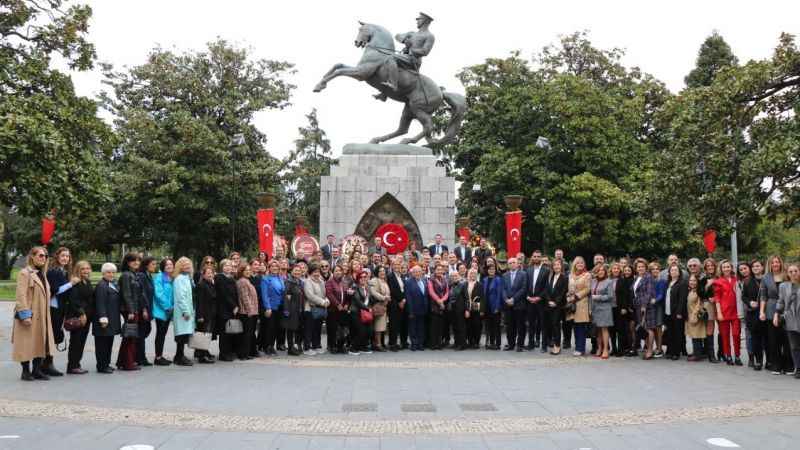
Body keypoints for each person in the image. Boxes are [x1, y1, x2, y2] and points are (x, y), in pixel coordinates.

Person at [13, 247, 56, 381]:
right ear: (32, 256)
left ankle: (37, 370)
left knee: (40, 342)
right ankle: (25, 372)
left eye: (46, 256)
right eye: (41, 255)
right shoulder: (25, 273)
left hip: (42, 315)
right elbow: (21, 295)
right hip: (30, 314)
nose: (44, 258)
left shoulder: (42, 274)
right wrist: (25, 315)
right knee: (26, 343)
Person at [44, 246, 75, 377]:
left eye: (67, 256)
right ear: (57, 257)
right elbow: (55, 290)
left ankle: (47, 363)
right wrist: (71, 284)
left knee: (56, 335)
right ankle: (47, 364)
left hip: (60, 307)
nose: (65, 258)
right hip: (53, 307)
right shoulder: (54, 271)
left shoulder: (63, 271)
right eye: (63, 256)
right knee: (52, 335)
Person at [760, 255, 792, 375]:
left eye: (777, 262)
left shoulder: (786, 274)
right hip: (771, 309)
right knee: (773, 340)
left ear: (780, 263)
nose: (775, 264)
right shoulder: (766, 277)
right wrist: (762, 311)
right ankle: (776, 365)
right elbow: (763, 296)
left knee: (787, 339)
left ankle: (789, 365)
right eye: (773, 262)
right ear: (770, 264)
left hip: (787, 308)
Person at [117, 253, 146, 371]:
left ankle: (122, 361)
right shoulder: (126, 275)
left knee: (129, 336)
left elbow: (138, 294)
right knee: (130, 336)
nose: (136, 263)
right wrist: (131, 310)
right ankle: (128, 363)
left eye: (138, 261)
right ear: (128, 262)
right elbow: (126, 294)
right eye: (133, 261)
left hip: (135, 309)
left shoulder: (134, 275)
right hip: (130, 310)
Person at [65, 260, 93, 374]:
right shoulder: (75, 282)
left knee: (81, 342)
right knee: (76, 342)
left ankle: (77, 364)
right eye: (83, 269)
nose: (86, 271)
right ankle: (72, 366)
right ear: (78, 270)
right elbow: (74, 300)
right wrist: (82, 314)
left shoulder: (87, 281)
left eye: (87, 268)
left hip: (87, 317)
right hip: (78, 317)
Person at [93, 262, 121, 374]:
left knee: (109, 342)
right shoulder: (101, 285)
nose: (111, 274)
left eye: (113, 272)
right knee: (102, 344)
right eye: (108, 272)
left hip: (112, 318)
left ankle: (106, 363)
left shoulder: (111, 284)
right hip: (104, 320)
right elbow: (100, 303)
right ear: (103, 273)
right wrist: (103, 318)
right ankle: (101, 366)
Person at [774, 263, 800, 379]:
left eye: (796, 271)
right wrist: (776, 314)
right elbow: (780, 302)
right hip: (790, 319)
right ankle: (798, 368)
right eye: (791, 271)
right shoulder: (783, 286)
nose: (793, 273)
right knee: (794, 346)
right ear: (787, 274)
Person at [738, 262, 763, 369]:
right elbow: (743, 297)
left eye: (745, 268)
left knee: (766, 338)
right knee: (753, 337)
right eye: (741, 269)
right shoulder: (746, 282)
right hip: (751, 313)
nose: (744, 271)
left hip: (766, 312)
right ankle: (755, 359)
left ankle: (769, 361)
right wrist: (750, 302)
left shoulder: (766, 279)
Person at [171, 257, 195, 366]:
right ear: (179, 267)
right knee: (181, 335)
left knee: (184, 334)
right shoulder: (179, 279)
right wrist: (185, 311)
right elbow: (181, 297)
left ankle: (179, 355)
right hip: (182, 311)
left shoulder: (188, 278)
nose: (187, 266)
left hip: (187, 310)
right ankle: (179, 357)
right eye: (184, 264)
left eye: (188, 264)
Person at [214, 259, 239, 362]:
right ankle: (223, 354)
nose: (228, 267)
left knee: (230, 332)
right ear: (222, 267)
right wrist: (234, 306)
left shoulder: (232, 279)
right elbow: (224, 294)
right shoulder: (219, 277)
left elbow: (235, 294)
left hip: (232, 309)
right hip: (224, 309)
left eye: (229, 265)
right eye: (226, 265)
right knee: (224, 333)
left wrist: (237, 305)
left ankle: (229, 352)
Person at [632, 258, 657, 360]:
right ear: (636, 268)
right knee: (644, 328)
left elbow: (649, 292)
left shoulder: (648, 277)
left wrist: (644, 305)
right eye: (638, 267)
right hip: (638, 306)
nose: (640, 268)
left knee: (649, 328)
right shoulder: (637, 277)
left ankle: (650, 350)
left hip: (646, 306)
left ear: (646, 267)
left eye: (642, 266)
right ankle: (647, 349)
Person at [303, 264, 330, 355]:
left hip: (319, 309)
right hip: (310, 308)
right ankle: (307, 348)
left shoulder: (321, 281)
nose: (317, 274)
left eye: (318, 272)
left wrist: (326, 300)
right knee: (309, 329)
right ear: (310, 272)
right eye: (314, 272)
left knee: (317, 329)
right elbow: (310, 296)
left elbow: (324, 294)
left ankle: (316, 346)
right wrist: (322, 302)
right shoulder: (308, 282)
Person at [568, 257, 592, 356]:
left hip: (582, 303)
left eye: (582, 263)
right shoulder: (571, 275)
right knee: (575, 326)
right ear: (574, 264)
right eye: (578, 263)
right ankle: (577, 346)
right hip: (572, 304)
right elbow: (569, 288)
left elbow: (588, 289)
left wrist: (577, 296)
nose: (580, 264)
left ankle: (581, 348)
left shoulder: (587, 275)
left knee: (581, 327)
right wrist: (568, 295)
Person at [526, 250, 549, 352]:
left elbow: (547, 287)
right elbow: (525, 285)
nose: (536, 258)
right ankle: (531, 344)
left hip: (541, 301)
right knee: (531, 324)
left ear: (541, 258)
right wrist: (528, 297)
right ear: (532, 257)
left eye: (538, 256)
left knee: (543, 324)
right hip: (530, 301)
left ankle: (543, 346)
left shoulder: (546, 270)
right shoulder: (528, 270)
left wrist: (539, 297)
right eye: (534, 256)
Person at [502, 257, 527, 352]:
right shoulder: (505, 275)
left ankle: (520, 345)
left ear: (517, 264)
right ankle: (511, 344)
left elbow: (524, 289)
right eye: (510, 263)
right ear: (508, 265)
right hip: (508, 305)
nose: (512, 264)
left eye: (514, 262)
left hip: (519, 304)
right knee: (509, 326)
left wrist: (513, 299)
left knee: (520, 325)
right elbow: (503, 289)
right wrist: (506, 299)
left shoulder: (523, 274)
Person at [152, 258, 174, 366]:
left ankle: (160, 355)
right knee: (160, 334)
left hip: (169, 310)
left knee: (163, 334)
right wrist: (168, 307)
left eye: (171, 264)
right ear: (163, 267)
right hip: (161, 311)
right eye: (167, 264)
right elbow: (159, 294)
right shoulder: (159, 277)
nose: (169, 266)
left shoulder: (171, 278)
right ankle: (158, 357)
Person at [260, 260, 285, 355]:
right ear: (269, 268)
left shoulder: (280, 278)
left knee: (276, 328)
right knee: (269, 328)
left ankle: (272, 345)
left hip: (279, 307)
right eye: (272, 266)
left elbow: (282, 292)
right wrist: (267, 307)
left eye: (276, 266)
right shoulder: (265, 279)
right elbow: (264, 294)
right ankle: (267, 346)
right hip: (270, 307)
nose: (275, 268)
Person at [544, 258, 568, 355]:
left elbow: (563, 292)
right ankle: (553, 343)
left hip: (558, 306)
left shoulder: (564, 278)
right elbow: (546, 290)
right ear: (552, 267)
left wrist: (556, 302)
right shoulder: (550, 277)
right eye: (554, 265)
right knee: (550, 326)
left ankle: (557, 346)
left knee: (556, 326)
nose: (556, 266)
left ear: (561, 266)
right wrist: (549, 300)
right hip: (549, 305)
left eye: (558, 265)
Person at [235, 263, 259, 360]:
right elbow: (245, 297)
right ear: (241, 272)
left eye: (249, 270)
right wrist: (250, 310)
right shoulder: (243, 282)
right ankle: (243, 354)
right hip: (246, 312)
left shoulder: (246, 281)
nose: (248, 272)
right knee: (246, 334)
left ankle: (246, 353)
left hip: (250, 312)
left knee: (247, 334)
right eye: (246, 270)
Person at [590, 264, 614, 359]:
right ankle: (599, 348)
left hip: (605, 308)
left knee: (604, 329)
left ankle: (605, 349)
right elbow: (590, 296)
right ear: (596, 272)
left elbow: (610, 296)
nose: (601, 272)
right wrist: (590, 309)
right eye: (599, 270)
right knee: (598, 330)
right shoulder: (593, 281)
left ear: (605, 272)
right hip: (595, 308)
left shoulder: (609, 282)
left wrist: (598, 297)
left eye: (602, 270)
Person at [664, 264, 688, 360]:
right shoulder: (668, 283)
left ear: (679, 272)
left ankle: (676, 353)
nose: (673, 272)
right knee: (669, 332)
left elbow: (682, 299)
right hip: (667, 312)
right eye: (672, 270)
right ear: (669, 272)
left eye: (675, 270)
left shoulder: (682, 283)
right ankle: (669, 351)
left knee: (677, 333)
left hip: (677, 313)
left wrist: (679, 312)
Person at [194, 265, 217, 363]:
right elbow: (200, 302)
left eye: (212, 273)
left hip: (210, 314)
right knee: (203, 334)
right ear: (203, 275)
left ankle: (204, 352)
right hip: (204, 314)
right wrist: (200, 316)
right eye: (208, 273)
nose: (210, 275)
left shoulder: (210, 284)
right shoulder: (201, 285)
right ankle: (201, 356)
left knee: (207, 335)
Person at [136, 256, 156, 367]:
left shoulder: (149, 276)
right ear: (146, 265)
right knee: (142, 333)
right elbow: (141, 293)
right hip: (143, 309)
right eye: (153, 264)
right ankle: (141, 358)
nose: (155, 266)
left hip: (149, 308)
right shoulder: (142, 276)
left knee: (145, 332)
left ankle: (139, 356)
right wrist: (144, 309)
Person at [700, 258, 720, 363]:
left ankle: (722, 353)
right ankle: (711, 355)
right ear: (705, 268)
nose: (710, 267)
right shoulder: (703, 279)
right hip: (710, 305)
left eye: (712, 265)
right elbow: (701, 293)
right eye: (708, 266)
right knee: (710, 328)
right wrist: (708, 285)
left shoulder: (719, 277)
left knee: (722, 328)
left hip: (721, 305)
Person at [405, 265, 429, 351]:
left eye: (419, 271)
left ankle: (420, 344)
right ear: (412, 273)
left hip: (423, 308)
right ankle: (414, 344)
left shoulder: (424, 280)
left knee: (421, 327)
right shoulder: (408, 282)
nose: (418, 273)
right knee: (413, 328)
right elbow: (408, 297)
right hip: (413, 309)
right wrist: (410, 311)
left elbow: (426, 295)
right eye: (416, 272)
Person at [387, 258, 409, 351]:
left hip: (403, 303)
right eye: (395, 265)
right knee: (394, 324)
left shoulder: (402, 276)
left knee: (403, 323)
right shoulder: (390, 276)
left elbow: (404, 289)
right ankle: (393, 344)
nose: (397, 266)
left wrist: (404, 300)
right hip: (394, 304)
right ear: (392, 266)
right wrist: (400, 300)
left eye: (398, 265)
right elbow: (393, 290)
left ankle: (404, 342)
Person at [283, 263, 305, 356]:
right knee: (290, 329)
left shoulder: (300, 282)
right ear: (291, 272)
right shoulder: (289, 282)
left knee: (298, 328)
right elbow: (286, 296)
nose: (297, 272)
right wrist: (287, 310)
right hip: (291, 309)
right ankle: (290, 348)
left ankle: (296, 346)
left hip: (299, 309)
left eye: (299, 271)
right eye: (295, 270)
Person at [325, 265, 347, 354]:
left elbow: (347, 295)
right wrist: (337, 304)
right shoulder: (329, 282)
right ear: (333, 272)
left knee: (342, 329)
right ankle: (332, 346)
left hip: (343, 310)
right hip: (333, 309)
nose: (338, 272)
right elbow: (329, 294)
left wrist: (346, 304)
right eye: (336, 271)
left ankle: (341, 346)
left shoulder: (344, 282)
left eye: (340, 271)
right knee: (332, 328)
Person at [350, 269, 372, 354]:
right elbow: (357, 300)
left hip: (365, 313)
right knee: (361, 331)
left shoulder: (367, 287)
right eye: (361, 277)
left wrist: (370, 308)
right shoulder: (355, 287)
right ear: (358, 278)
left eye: (365, 277)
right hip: (356, 312)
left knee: (368, 331)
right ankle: (353, 348)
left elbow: (370, 300)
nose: (363, 278)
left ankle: (363, 347)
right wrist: (368, 308)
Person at [427, 263, 449, 350]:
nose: (439, 271)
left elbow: (447, 292)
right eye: (438, 270)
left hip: (442, 305)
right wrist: (439, 301)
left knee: (440, 326)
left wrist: (442, 300)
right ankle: (433, 344)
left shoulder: (445, 279)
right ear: (434, 271)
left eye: (441, 270)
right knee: (433, 326)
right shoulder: (431, 280)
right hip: (434, 306)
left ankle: (439, 344)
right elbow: (431, 292)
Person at [685, 274, 706, 361]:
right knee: (693, 335)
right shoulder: (690, 290)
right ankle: (697, 352)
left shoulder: (698, 291)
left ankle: (697, 355)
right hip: (690, 315)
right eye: (690, 280)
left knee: (697, 336)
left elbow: (699, 304)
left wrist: (695, 314)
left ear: (697, 282)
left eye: (694, 281)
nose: (692, 282)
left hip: (695, 316)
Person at [368, 266, 390, 352]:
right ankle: (378, 345)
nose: (382, 272)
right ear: (377, 272)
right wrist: (384, 298)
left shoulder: (384, 281)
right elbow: (373, 292)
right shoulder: (374, 280)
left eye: (384, 271)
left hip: (384, 307)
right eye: (380, 271)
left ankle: (379, 344)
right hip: (377, 306)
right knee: (378, 327)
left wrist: (387, 298)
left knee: (381, 326)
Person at [482, 264, 503, 350]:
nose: (491, 271)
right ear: (487, 271)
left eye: (493, 269)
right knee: (488, 326)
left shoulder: (498, 280)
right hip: (486, 306)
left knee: (496, 326)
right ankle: (490, 342)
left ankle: (497, 344)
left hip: (495, 306)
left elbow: (499, 294)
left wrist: (497, 307)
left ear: (495, 270)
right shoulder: (485, 280)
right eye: (489, 269)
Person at [615, 264, 635, 356]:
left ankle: (630, 348)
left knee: (629, 330)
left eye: (629, 270)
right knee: (621, 330)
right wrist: (622, 307)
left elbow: (631, 296)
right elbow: (619, 295)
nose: (627, 272)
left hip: (630, 309)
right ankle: (621, 349)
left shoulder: (634, 281)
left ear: (632, 272)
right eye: (625, 270)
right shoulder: (620, 280)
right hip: (621, 308)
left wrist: (627, 307)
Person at [650, 262, 666, 358]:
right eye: (653, 269)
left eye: (657, 269)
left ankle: (660, 348)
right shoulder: (649, 280)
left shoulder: (662, 281)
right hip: (650, 306)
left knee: (658, 327)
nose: (655, 270)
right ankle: (655, 347)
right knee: (653, 328)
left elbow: (661, 294)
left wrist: (655, 300)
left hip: (659, 306)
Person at [464, 268, 484, 349]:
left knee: (476, 325)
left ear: (477, 275)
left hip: (477, 306)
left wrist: (482, 310)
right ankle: (470, 341)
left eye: (474, 274)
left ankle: (476, 342)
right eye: (471, 273)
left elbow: (482, 298)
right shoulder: (465, 284)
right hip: (468, 306)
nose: (473, 275)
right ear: (469, 274)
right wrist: (466, 309)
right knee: (468, 325)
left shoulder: (480, 284)